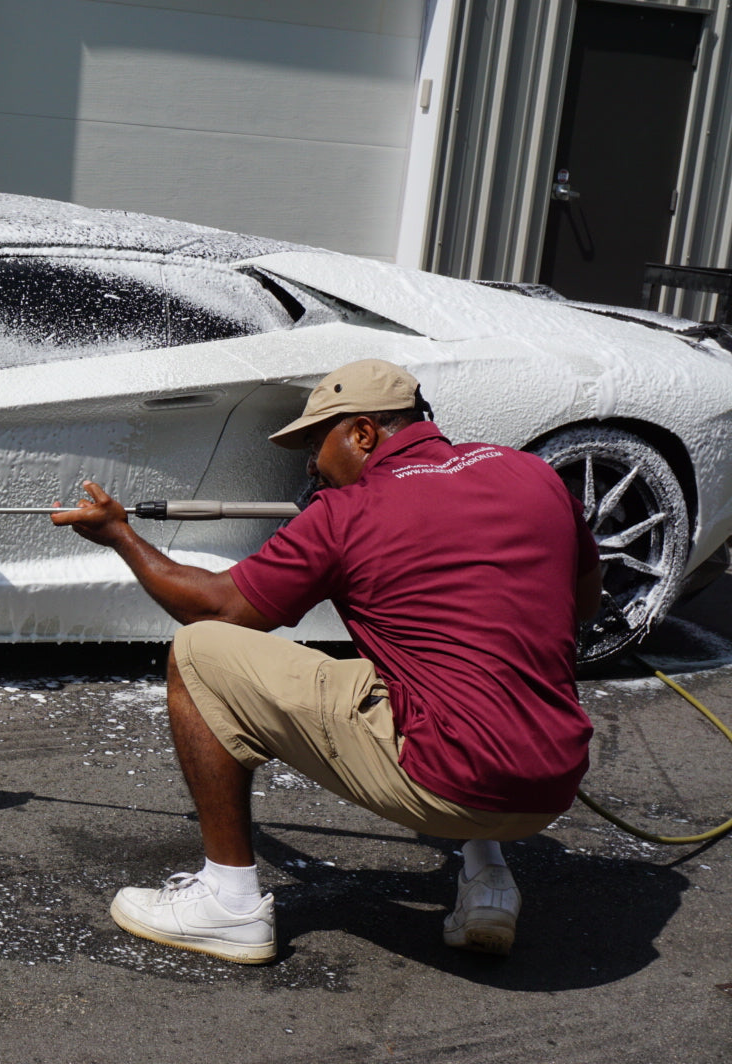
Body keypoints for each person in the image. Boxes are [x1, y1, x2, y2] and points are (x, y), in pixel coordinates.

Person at [51, 359, 601, 964]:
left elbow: (215, 607)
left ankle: (228, 904)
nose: (312, 465)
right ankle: (489, 880)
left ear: (363, 433)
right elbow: (582, 604)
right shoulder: (531, 473)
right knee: (453, 673)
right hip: (553, 780)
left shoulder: (346, 513)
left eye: (317, 443)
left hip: (454, 783)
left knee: (200, 652)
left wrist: (121, 535)